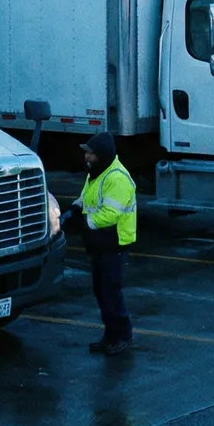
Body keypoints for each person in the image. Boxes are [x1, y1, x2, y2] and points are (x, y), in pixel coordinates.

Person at [65, 131, 137, 355]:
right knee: (101, 291)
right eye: (86, 152)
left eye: (91, 154)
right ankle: (110, 336)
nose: (86, 157)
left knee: (110, 292)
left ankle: (122, 336)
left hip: (114, 244)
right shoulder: (97, 173)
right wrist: (75, 208)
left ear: (102, 155)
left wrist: (84, 222)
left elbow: (110, 215)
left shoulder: (116, 178)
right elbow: (87, 197)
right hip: (101, 243)